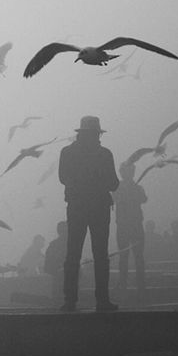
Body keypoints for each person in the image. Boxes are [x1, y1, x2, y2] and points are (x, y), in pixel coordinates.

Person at [57, 116, 119, 312]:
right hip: (98, 209)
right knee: (100, 256)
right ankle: (102, 300)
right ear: (95, 134)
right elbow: (113, 183)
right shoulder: (104, 154)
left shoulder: (67, 153)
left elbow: (63, 178)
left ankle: (70, 300)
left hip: (77, 208)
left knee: (73, 254)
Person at [114, 159, 147, 295]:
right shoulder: (135, 187)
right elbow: (143, 199)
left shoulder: (120, 188)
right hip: (131, 226)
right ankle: (136, 285)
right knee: (134, 257)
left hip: (127, 226)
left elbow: (143, 199)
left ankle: (128, 285)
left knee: (129, 257)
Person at [43, 220, 67, 298]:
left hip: (57, 277)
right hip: (61, 277)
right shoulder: (67, 244)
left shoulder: (53, 245)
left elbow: (47, 266)